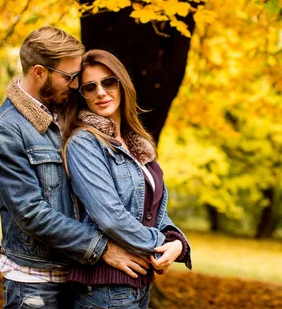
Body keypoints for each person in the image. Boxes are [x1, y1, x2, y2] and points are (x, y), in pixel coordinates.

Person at [0, 27, 149, 309]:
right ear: (39, 72)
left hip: (82, 276)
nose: (75, 85)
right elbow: (31, 213)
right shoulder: (5, 131)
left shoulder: (68, 109)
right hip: (36, 280)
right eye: (69, 77)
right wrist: (103, 249)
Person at [61, 49, 192, 309]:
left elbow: (156, 210)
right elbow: (110, 216)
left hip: (139, 285)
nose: (100, 92)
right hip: (103, 290)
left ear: (122, 84)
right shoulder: (84, 143)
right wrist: (160, 244)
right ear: (82, 95)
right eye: (90, 87)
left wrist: (178, 243)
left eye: (108, 82)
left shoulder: (138, 145)